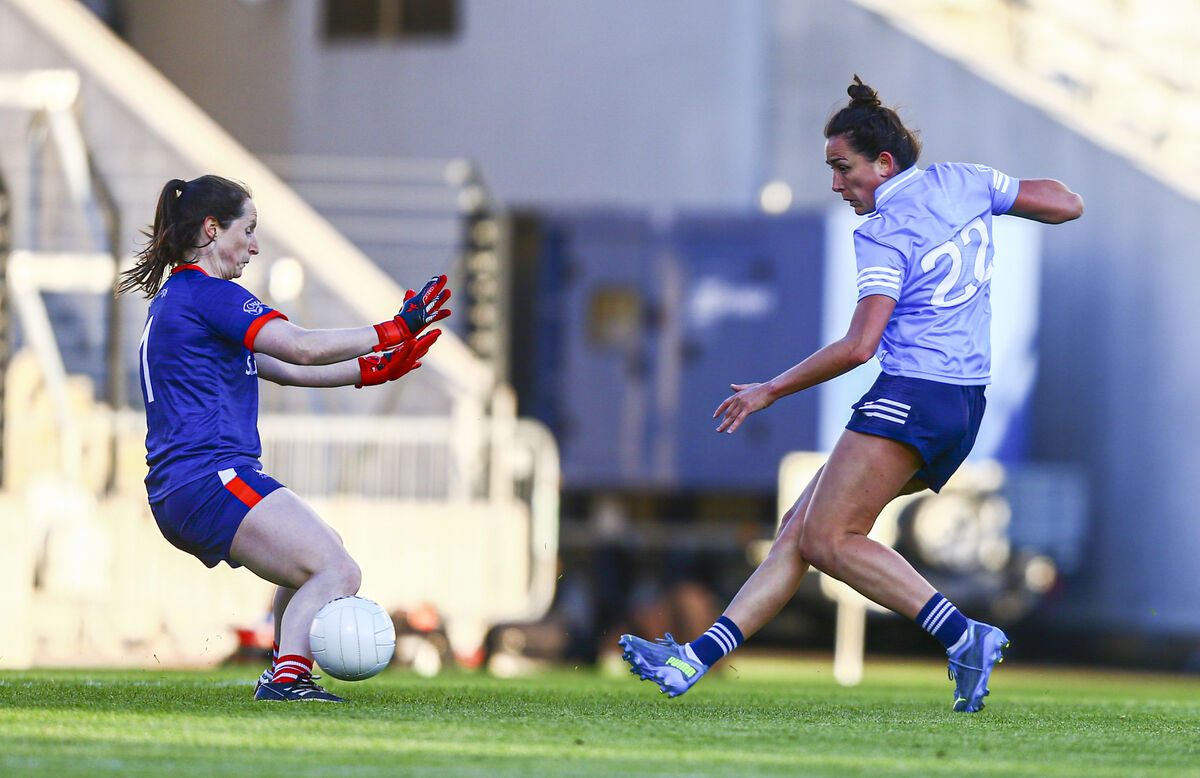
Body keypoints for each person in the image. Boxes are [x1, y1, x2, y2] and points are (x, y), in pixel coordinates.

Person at [620, 77, 1083, 713]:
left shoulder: (884, 229)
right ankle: (690, 662)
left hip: (914, 393)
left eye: (843, 168)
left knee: (829, 539)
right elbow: (1065, 203)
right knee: (800, 530)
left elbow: (860, 345)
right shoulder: (963, 181)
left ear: (884, 163)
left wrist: (770, 390)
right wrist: (997, 202)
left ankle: (964, 635)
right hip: (962, 404)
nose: (837, 184)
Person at [116, 175, 451, 702]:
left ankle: (285, 671)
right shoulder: (208, 294)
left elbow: (285, 368)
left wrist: (373, 369)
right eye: (247, 230)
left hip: (190, 483)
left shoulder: (178, 298)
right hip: (209, 478)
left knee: (319, 559)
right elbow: (300, 347)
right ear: (212, 229)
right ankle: (287, 679)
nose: (253, 246)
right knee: (337, 569)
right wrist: (392, 329)